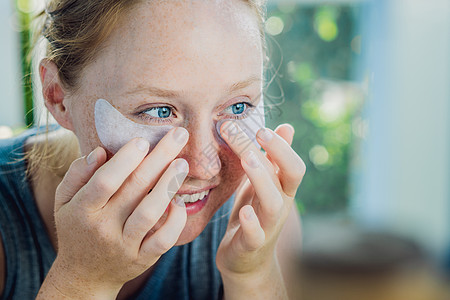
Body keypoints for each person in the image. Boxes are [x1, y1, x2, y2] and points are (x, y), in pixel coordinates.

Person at [0, 0, 305, 299]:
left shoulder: (258, 222)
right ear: (57, 97)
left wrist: (252, 276)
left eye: (238, 106)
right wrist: (83, 278)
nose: (204, 168)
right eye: (159, 111)